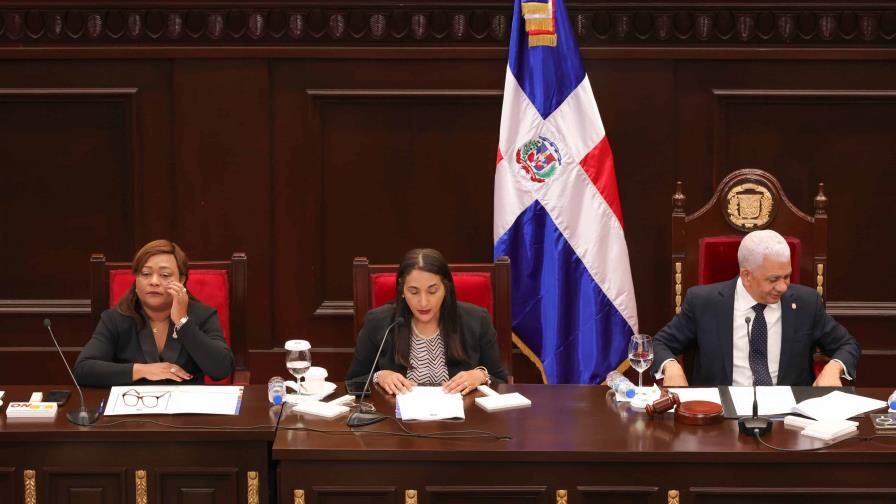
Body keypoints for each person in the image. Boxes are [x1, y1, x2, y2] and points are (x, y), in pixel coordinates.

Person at [652, 229, 859, 387]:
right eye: (773, 279)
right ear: (746, 275)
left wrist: (834, 367)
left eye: (787, 276)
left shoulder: (806, 302)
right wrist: (671, 366)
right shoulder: (703, 302)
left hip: (789, 419)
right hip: (719, 418)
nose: (783, 287)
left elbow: (847, 345)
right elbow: (660, 343)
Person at [346, 248, 508, 395]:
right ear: (402, 290)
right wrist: (379, 376)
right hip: (397, 419)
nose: (423, 302)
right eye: (414, 291)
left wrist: (480, 375)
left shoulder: (476, 319)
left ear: (446, 288)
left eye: (432, 291)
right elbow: (353, 381)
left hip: (463, 420)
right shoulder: (379, 321)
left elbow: (501, 380)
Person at [74, 240, 234, 387]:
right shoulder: (116, 318)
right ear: (136, 279)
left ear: (182, 279)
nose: (154, 281)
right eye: (145, 274)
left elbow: (221, 370)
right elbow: (83, 370)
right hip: (133, 409)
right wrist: (142, 370)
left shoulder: (202, 315)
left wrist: (183, 322)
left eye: (165, 275)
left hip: (186, 412)